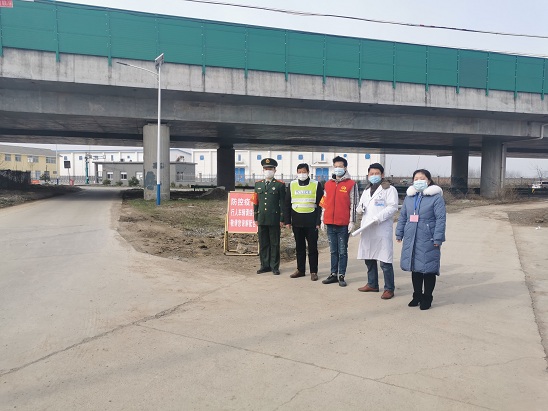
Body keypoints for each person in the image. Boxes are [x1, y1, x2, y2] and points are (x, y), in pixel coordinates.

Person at [395, 169, 446, 310]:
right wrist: (399, 233)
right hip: (412, 237)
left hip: (428, 237)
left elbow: (441, 219)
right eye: (416, 179)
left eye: (422, 178)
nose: (419, 181)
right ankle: (416, 295)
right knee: (415, 268)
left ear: (428, 181)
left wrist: (438, 238)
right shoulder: (409, 197)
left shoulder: (436, 198)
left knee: (428, 269)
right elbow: (403, 217)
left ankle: (427, 297)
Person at [356, 163, 399, 299]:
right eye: (371, 174)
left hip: (381, 228)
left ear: (382, 175)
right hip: (367, 228)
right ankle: (372, 284)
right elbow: (360, 205)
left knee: (385, 260)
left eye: (376, 173)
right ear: (368, 175)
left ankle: (389, 288)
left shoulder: (389, 189)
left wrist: (378, 217)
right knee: (369, 257)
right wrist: (360, 209)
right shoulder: (366, 190)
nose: (374, 176)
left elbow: (393, 207)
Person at [319, 156, 358, 287]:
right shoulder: (328, 184)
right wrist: (322, 219)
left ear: (345, 167)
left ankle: (341, 275)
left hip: (343, 224)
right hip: (330, 222)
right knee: (333, 251)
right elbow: (324, 202)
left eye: (340, 166)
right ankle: (333, 274)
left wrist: (352, 221)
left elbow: (353, 204)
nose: (338, 168)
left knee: (342, 251)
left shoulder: (351, 184)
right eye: (336, 166)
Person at [284, 163, 324, 281]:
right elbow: (287, 204)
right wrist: (287, 221)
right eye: (299, 172)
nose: (301, 174)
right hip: (297, 221)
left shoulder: (316, 184)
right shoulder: (292, 185)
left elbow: (321, 204)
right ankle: (300, 270)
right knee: (299, 247)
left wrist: (318, 221)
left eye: (304, 172)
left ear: (308, 172)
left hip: (311, 221)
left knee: (312, 248)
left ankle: (313, 271)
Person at [252, 158, 286, 275]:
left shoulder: (280, 185)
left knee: (274, 243)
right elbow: (255, 202)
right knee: (263, 243)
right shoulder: (258, 184)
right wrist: (255, 217)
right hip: (262, 218)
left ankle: (274, 266)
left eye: (270, 169)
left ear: (275, 170)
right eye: (266, 169)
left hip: (274, 218)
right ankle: (264, 265)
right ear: (263, 170)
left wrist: (282, 219)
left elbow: (283, 203)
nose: (268, 171)